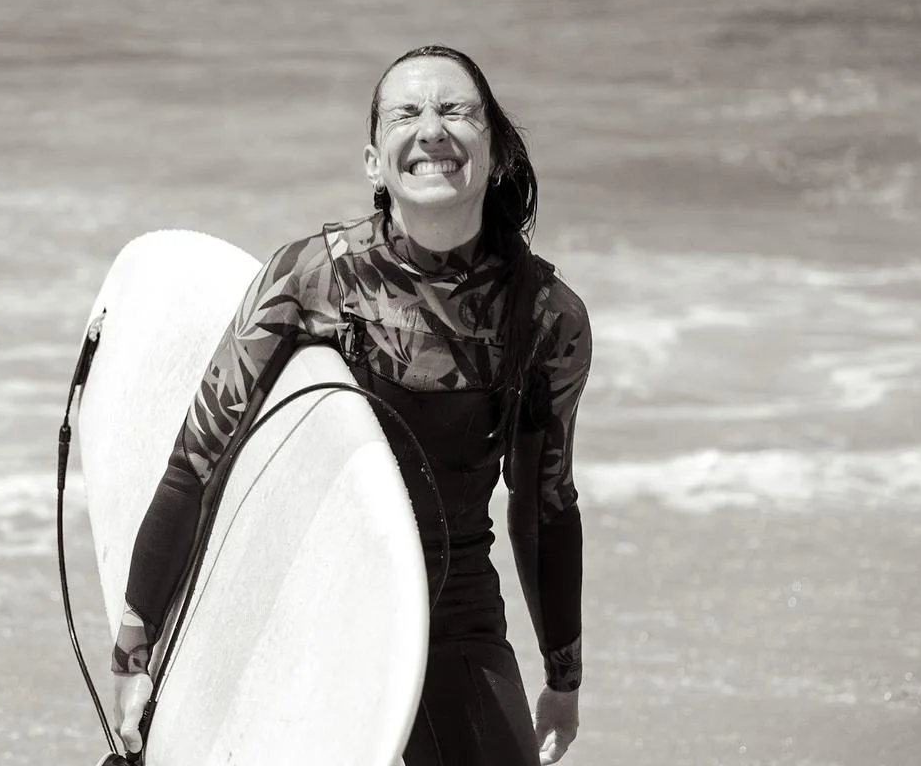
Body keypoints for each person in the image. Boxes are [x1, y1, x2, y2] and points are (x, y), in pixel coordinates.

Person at [110, 44, 592, 765]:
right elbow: (196, 463)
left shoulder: (547, 316)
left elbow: (543, 505)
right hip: (305, 593)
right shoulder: (310, 279)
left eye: (455, 110)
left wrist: (563, 675)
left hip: (452, 613)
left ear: (491, 153)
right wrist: (137, 642)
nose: (431, 129)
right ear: (374, 159)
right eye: (407, 112)